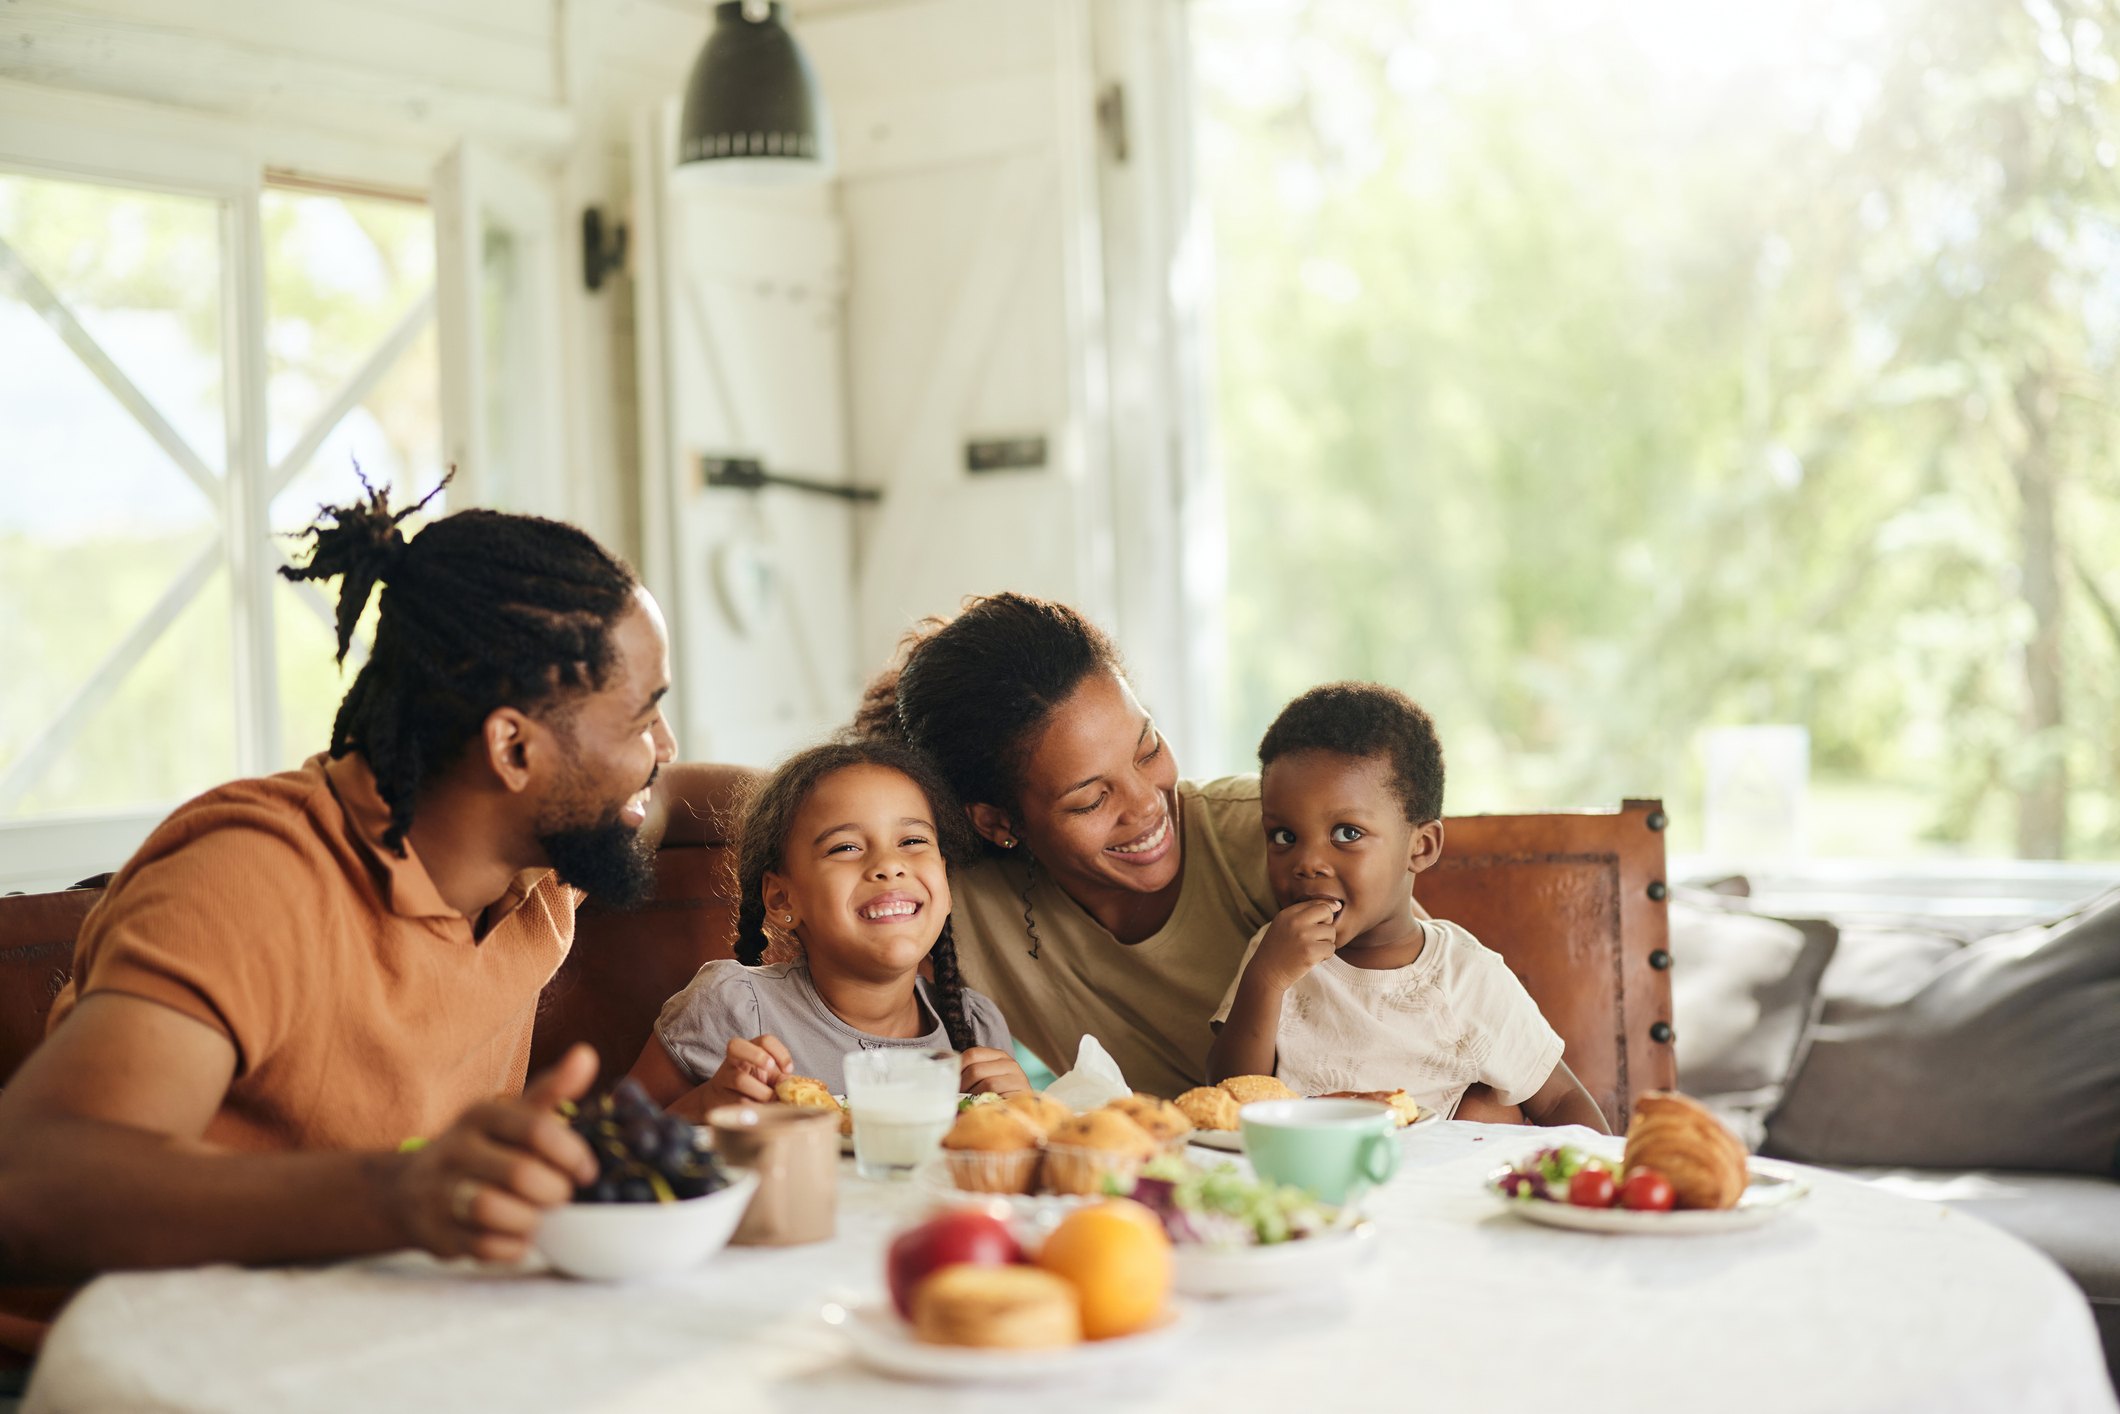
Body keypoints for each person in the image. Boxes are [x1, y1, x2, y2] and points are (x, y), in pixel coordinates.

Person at [0, 478, 677, 1319]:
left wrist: (810, 803)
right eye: (644, 718)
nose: (665, 750)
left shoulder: (536, 865)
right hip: (129, 1370)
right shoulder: (253, 882)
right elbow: (29, 1185)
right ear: (512, 749)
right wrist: (398, 1195)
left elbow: (673, 798)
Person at [854, 593, 1355, 1098]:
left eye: (1148, 749)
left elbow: (1429, 1003)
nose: (1145, 806)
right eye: (1091, 799)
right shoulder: (944, 897)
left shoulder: (1279, 838)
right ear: (996, 821)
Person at [1207, 682, 1608, 1130]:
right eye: (1284, 836)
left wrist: (1599, 1181)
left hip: (1435, 1191)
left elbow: (1560, 1101)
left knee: (1488, 1109)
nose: (1307, 863)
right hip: (1307, 1190)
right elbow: (1232, 1100)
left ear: (1421, 846)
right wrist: (1266, 979)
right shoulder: (1274, 956)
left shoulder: (1464, 975)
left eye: (1347, 834)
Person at [627, 737, 1027, 1114]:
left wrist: (1024, 1112)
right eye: (846, 847)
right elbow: (611, 1144)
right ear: (783, 899)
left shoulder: (978, 1027)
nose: (890, 865)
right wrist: (706, 1106)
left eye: (912, 841)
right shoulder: (732, 1007)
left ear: (944, 877)